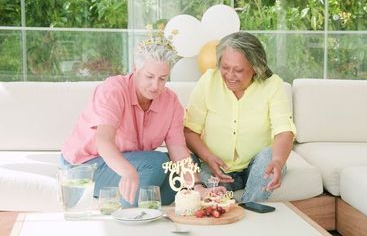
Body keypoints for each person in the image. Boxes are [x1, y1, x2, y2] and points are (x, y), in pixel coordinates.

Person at [60, 35, 207, 207]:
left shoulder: (170, 101)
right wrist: (128, 171)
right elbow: (103, 141)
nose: (155, 86)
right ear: (135, 69)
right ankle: (135, 205)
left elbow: (178, 150)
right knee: (155, 163)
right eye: (149, 76)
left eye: (162, 79)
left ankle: (145, 198)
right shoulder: (113, 90)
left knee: (190, 164)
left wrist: (197, 186)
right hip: (86, 165)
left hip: (132, 161)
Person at [184, 31, 296, 203]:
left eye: (238, 70)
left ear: (255, 67)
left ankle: (248, 208)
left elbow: (284, 132)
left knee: (269, 155)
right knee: (212, 193)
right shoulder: (208, 81)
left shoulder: (272, 85)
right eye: (225, 67)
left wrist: (278, 162)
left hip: (255, 167)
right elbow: (190, 131)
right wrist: (207, 157)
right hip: (215, 167)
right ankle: (225, 207)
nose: (229, 75)